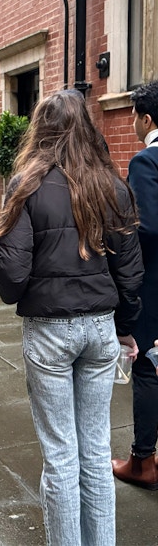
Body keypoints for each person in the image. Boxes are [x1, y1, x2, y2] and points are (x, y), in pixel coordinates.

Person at [0, 89, 143, 546]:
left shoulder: (27, 185)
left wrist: (7, 273)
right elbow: (130, 272)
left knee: (60, 455)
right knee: (96, 452)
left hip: (50, 332)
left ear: (42, 130)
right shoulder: (112, 186)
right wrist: (126, 330)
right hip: (100, 329)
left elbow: (12, 275)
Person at [112, 79, 158, 490]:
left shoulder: (147, 161)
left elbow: (148, 227)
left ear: (146, 118)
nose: (132, 123)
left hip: (156, 286)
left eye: (133, 116)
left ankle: (143, 462)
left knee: (147, 368)